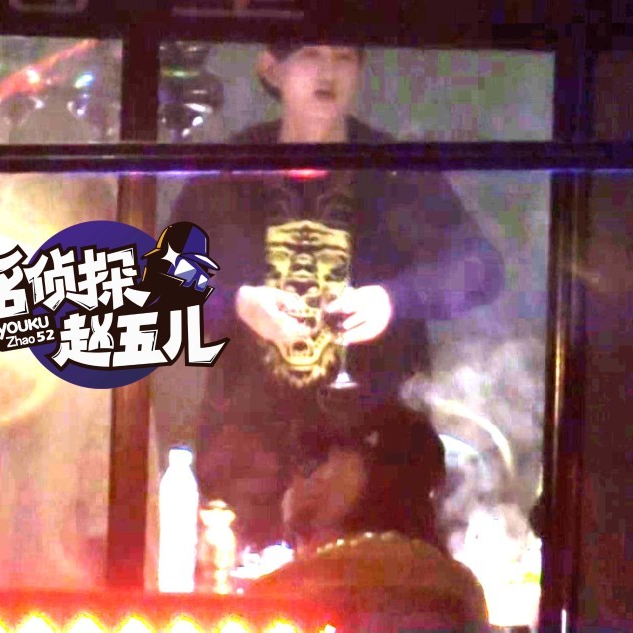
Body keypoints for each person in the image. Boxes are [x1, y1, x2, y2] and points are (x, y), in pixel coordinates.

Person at [168, 43, 505, 548]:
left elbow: (481, 268)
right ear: (271, 69)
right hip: (248, 463)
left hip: (382, 464)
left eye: (344, 57)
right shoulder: (226, 174)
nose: (328, 72)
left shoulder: (395, 172)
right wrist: (239, 302)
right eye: (311, 54)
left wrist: (394, 299)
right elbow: (165, 288)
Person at [250, 400, 490, 633]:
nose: (309, 476)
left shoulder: (284, 592)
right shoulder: (457, 590)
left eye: (329, 459)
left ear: (378, 475)